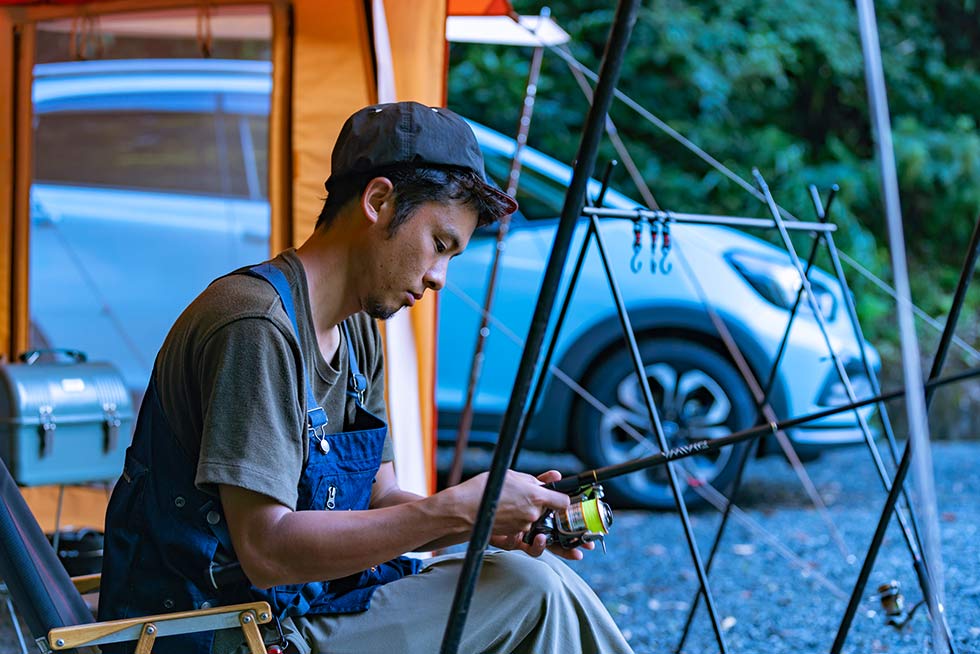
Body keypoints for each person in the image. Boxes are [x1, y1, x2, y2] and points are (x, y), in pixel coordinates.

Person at [98, 101, 634, 654]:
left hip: (308, 608)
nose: (439, 278)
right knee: (532, 589)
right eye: (439, 245)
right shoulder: (255, 326)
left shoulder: (358, 332)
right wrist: (453, 509)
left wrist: (486, 518)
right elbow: (266, 549)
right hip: (228, 633)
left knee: (535, 578)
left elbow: (378, 498)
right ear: (378, 201)